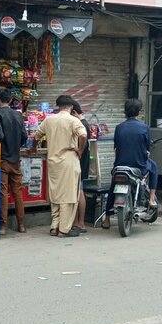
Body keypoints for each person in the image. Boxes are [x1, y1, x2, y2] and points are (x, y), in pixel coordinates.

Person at [33, 94, 87, 238]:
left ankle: (54, 226)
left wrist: (33, 148)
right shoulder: (73, 121)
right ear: (71, 107)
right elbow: (83, 136)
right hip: (69, 161)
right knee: (69, 196)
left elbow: (36, 135)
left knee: (56, 195)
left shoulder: (49, 119)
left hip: (53, 161)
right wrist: (80, 150)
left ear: (58, 106)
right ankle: (64, 229)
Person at [102, 98, 158, 230]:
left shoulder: (119, 127)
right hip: (139, 166)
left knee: (113, 187)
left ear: (125, 111)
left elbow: (116, 149)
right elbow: (147, 150)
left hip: (120, 166)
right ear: (138, 111)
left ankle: (107, 219)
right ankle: (151, 199)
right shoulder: (144, 128)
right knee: (154, 167)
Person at [0, 89, 27, 235]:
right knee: (18, 192)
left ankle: (2, 226)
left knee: (3, 192)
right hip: (16, 159)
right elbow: (24, 136)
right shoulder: (18, 114)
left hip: (3, 159)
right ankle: (21, 225)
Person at [71, 100, 91, 234]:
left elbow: (81, 142)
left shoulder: (81, 124)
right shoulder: (84, 123)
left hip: (80, 162)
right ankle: (79, 222)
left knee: (79, 191)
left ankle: (81, 223)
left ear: (73, 112)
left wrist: (78, 151)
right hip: (82, 162)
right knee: (79, 191)